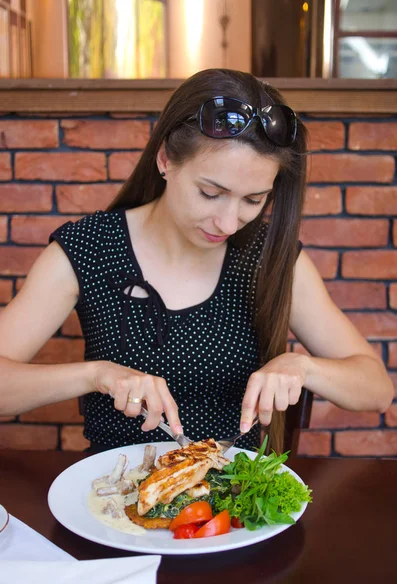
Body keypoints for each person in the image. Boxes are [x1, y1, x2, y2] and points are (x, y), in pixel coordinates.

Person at [0, 69, 393, 454]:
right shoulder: (90, 247)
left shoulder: (268, 257)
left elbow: (376, 389)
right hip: (112, 505)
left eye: (253, 201)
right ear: (166, 160)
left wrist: (303, 368)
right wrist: (95, 374)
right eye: (210, 193)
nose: (227, 222)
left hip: (228, 507)